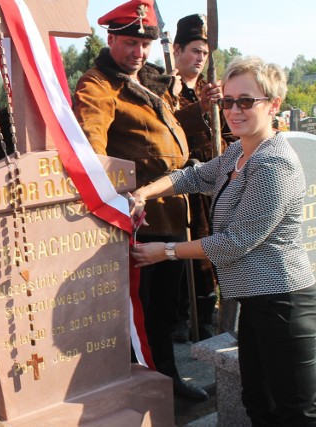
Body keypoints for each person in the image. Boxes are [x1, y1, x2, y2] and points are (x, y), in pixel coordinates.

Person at [130, 56, 316, 426]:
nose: (234, 110)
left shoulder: (273, 164)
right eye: (227, 101)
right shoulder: (240, 151)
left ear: (273, 105)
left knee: (294, 411)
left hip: (283, 304)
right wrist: (143, 194)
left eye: (246, 101)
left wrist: (164, 252)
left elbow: (235, 241)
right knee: (257, 400)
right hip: (255, 301)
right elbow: (197, 175)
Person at [73, 0, 217, 401]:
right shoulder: (99, 85)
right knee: (142, 313)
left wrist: (200, 110)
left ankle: (166, 378)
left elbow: (165, 136)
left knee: (165, 310)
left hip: (171, 216)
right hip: (136, 223)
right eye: (130, 43)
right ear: (111, 39)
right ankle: (149, 388)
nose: (138, 53)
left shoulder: (142, 81)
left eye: (144, 44)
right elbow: (92, 153)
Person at [171, 14, 236, 342]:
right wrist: (199, 107)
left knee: (221, 251)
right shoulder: (163, 90)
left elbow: (229, 133)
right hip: (187, 189)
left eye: (205, 53)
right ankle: (185, 317)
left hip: (222, 185)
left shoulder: (217, 92)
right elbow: (167, 132)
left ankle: (212, 315)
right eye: (194, 50)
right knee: (192, 253)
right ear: (177, 50)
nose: (199, 58)